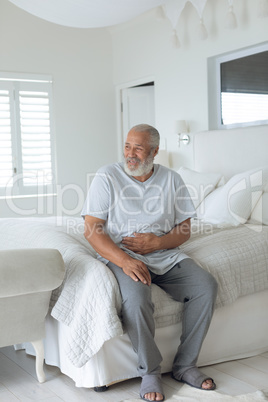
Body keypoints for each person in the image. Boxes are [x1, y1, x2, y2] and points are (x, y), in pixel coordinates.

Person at [81, 124, 218, 402]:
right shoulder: (107, 176)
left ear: (155, 151)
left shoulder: (172, 179)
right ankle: (150, 371)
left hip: (165, 255)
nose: (130, 154)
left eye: (139, 148)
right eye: (128, 146)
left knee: (206, 286)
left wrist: (157, 243)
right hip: (122, 256)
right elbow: (92, 228)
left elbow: (184, 229)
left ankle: (185, 366)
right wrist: (124, 260)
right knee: (137, 297)